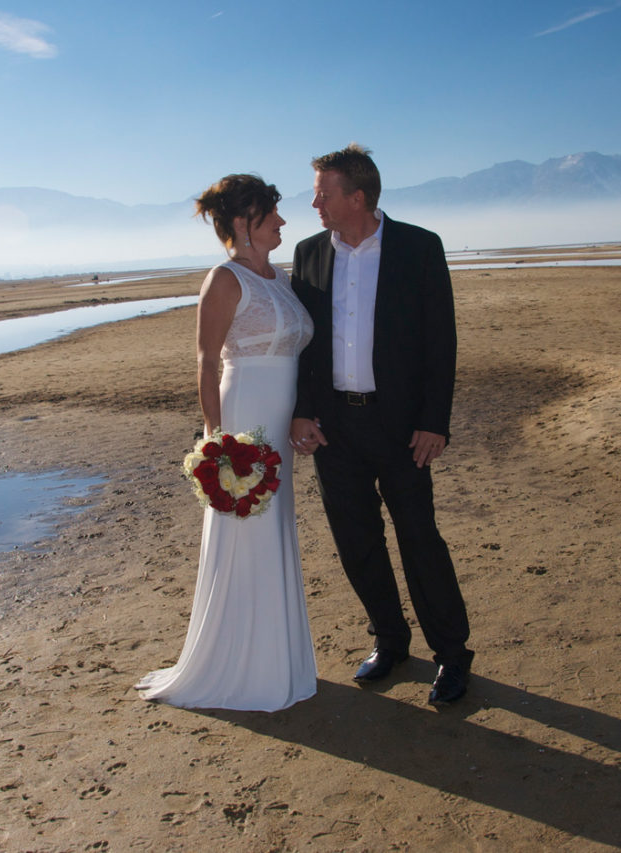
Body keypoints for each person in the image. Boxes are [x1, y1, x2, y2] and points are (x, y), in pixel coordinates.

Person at [290, 144, 473, 705]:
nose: (314, 202)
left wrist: (432, 421)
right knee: (357, 543)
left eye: (323, 192)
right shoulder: (309, 253)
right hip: (334, 429)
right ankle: (390, 642)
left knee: (420, 538)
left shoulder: (419, 246)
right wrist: (301, 409)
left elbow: (440, 343)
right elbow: (304, 344)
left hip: (401, 428)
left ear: (358, 196)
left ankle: (451, 655)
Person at [136, 174, 316, 712]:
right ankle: (240, 669)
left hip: (280, 423)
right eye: (272, 214)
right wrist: (217, 440)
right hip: (245, 423)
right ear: (243, 222)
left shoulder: (281, 277)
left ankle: (276, 659)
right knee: (246, 531)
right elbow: (207, 360)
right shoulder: (223, 279)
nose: (283, 222)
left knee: (274, 529)